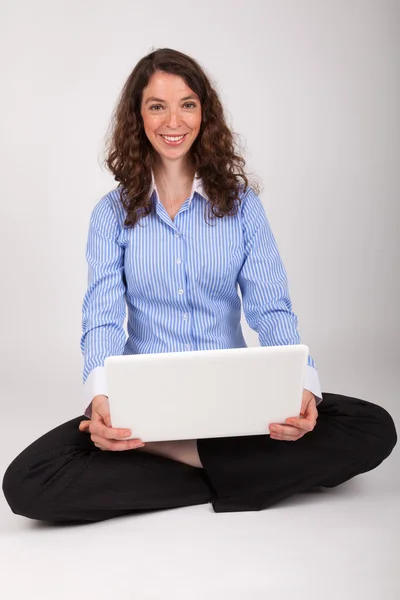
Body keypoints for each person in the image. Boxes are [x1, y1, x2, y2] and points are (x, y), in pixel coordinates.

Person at [2, 48, 397, 524]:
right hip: (145, 408)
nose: (174, 120)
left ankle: (175, 456)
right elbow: (102, 315)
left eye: (187, 103)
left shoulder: (242, 206)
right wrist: (102, 398)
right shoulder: (110, 214)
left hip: (237, 402)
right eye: (156, 105)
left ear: (204, 113)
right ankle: (242, 474)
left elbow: (271, 309)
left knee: (372, 426)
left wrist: (301, 389)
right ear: (138, 117)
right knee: (28, 481)